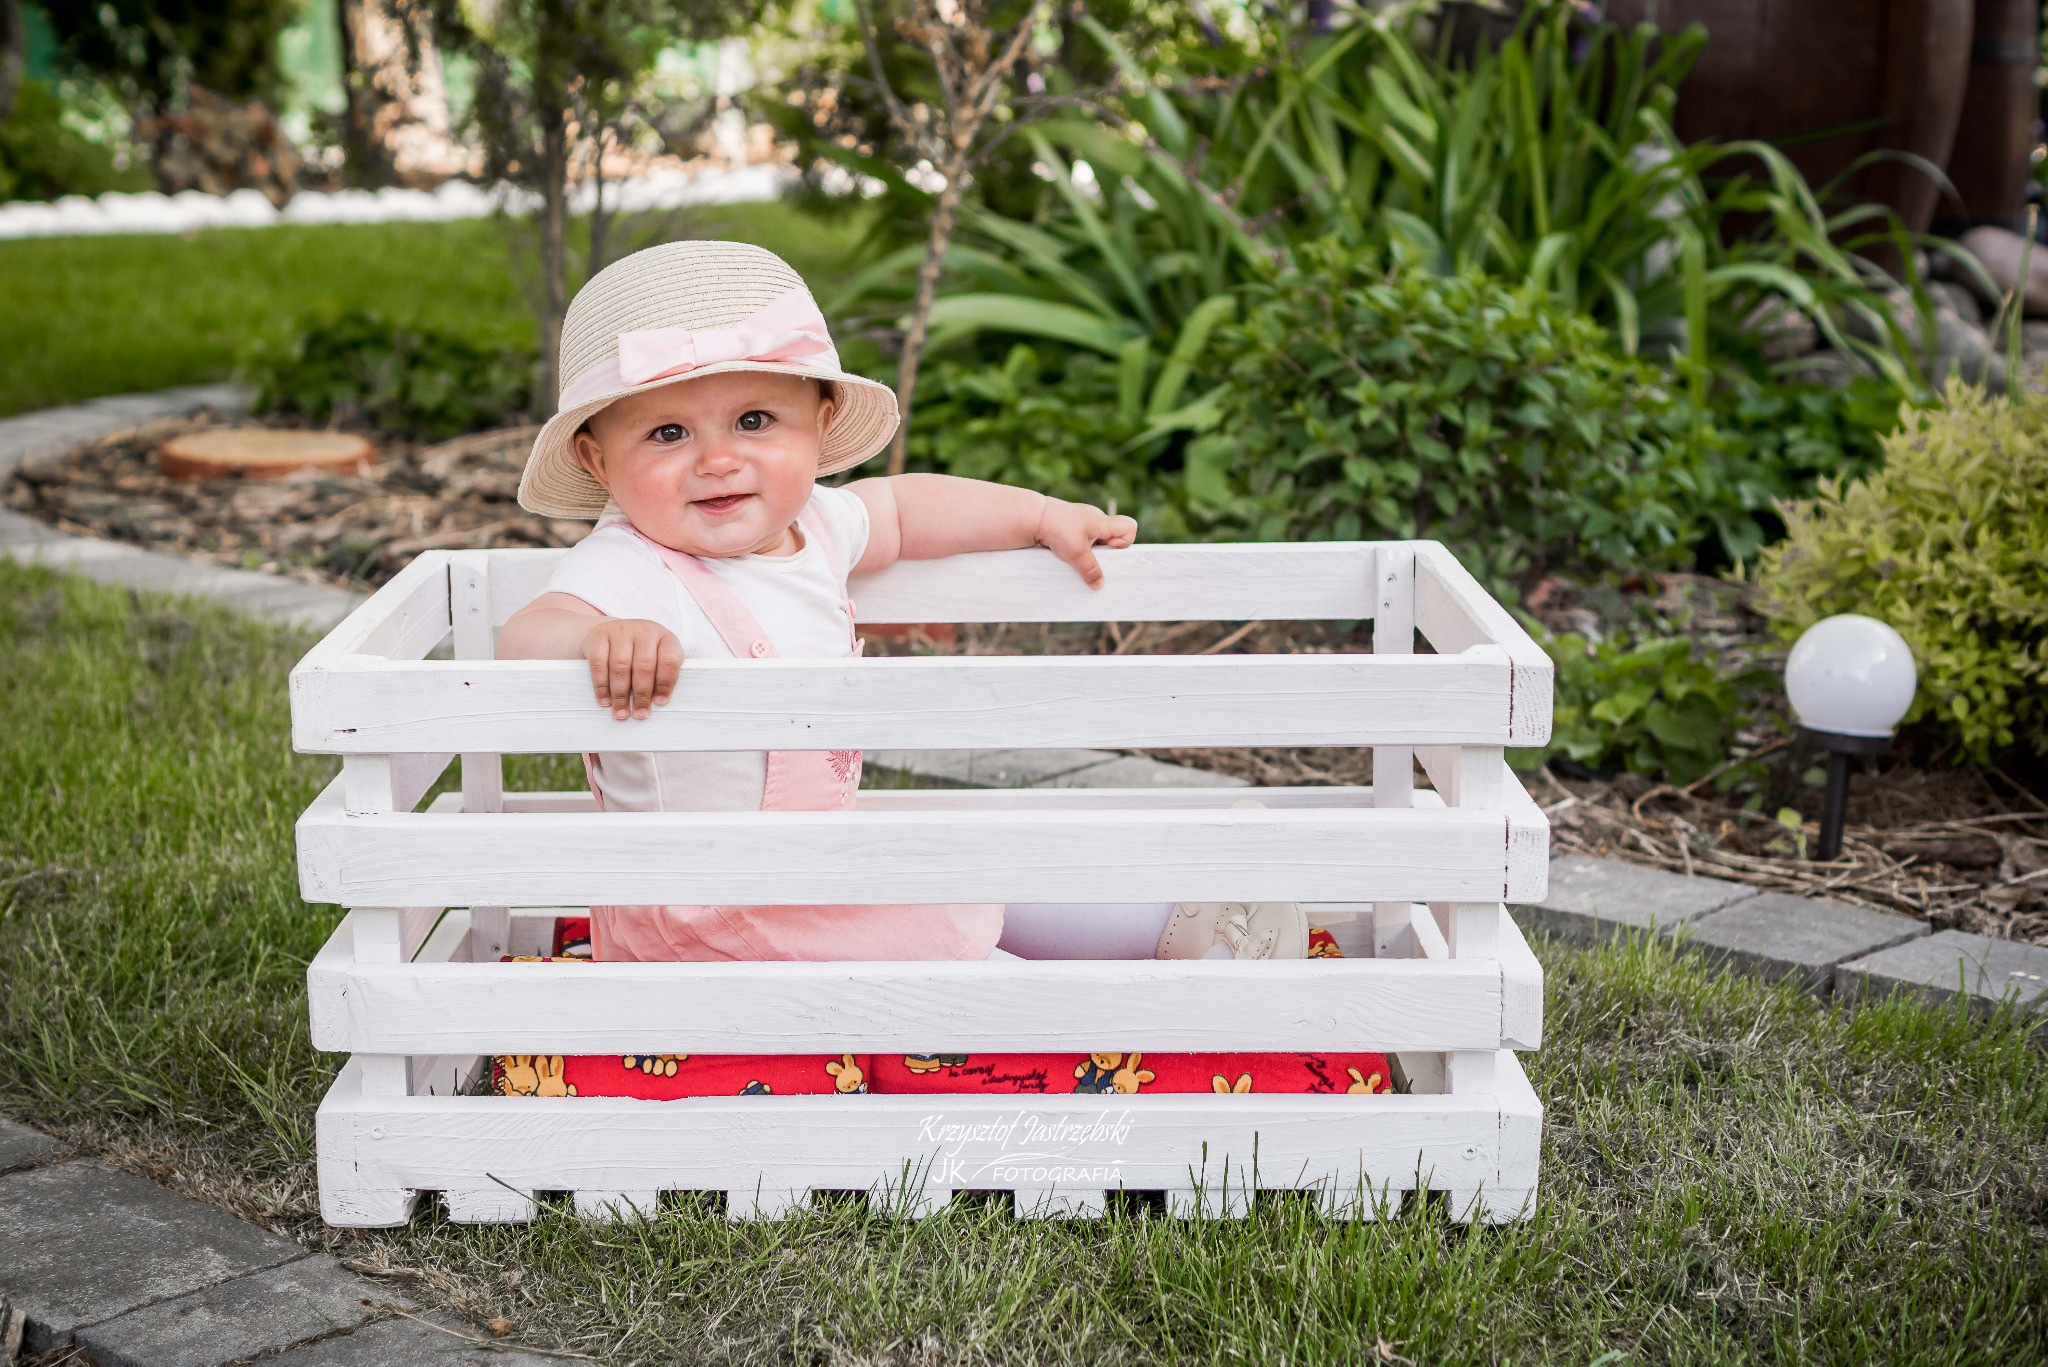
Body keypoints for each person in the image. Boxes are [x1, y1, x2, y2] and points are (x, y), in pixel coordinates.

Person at [501, 239, 1309, 966]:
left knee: (967, 865)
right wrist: (597, 640)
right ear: (598, 461)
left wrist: (1036, 515)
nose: (718, 459)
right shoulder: (632, 566)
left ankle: (1171, 932)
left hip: (819, 877)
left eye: (754, 420)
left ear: (818, 430)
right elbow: (527, 636)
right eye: (668, 434)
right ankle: (1065, 1006)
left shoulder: (817, 526)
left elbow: (904, 509)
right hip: (707, 921)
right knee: (931, 943)